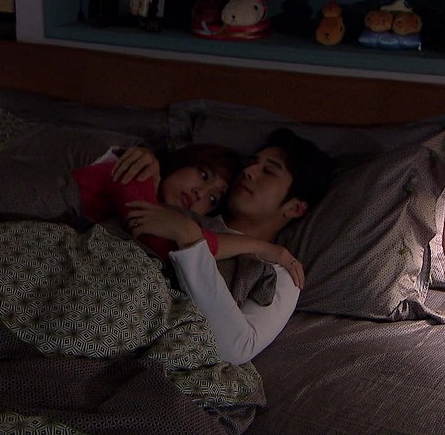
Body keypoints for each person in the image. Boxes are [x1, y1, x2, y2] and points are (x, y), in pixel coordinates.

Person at [114, 129, 334, 364]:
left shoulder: (281, 270)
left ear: (294, 208)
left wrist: (191, 242)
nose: (249, 172)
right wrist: (144, 162)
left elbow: (235, 348)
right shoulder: (193, 208)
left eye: (268, 171)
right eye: (252, 163)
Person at [70, 143, 241, 264]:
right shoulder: (139, 173)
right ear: (183, 162)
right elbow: (170, 247)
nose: (201, 193)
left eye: (212, 199)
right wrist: (253, 244)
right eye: (203, 175)